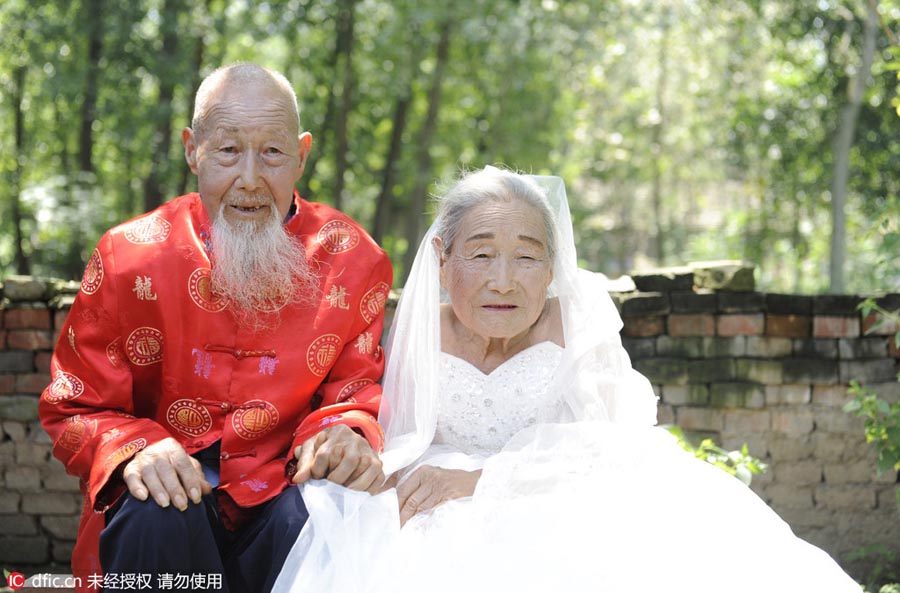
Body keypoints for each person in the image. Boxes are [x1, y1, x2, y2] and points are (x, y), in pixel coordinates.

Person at [272, 166, 861, 593]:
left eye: (527, 257)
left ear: (552, 267)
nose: (504, 280)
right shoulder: (412, 329)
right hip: (429, 509)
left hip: (556, 498)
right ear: (443, 260)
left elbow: (616, 449)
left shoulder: (579, 322)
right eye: (481, 255)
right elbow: (392, 434)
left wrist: (484, 482)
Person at [38, 63, 393, 593]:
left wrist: (342, 434)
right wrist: (137, 446)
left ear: (301, 155)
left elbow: (354, 392)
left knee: (326, 514)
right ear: (192, 150)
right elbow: (72, 405)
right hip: (169, 504)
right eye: (228, 150)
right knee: (154, 512)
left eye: (272, 152)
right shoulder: (130, 256)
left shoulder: (353, 260)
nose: (250, 178)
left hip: (281, 495)